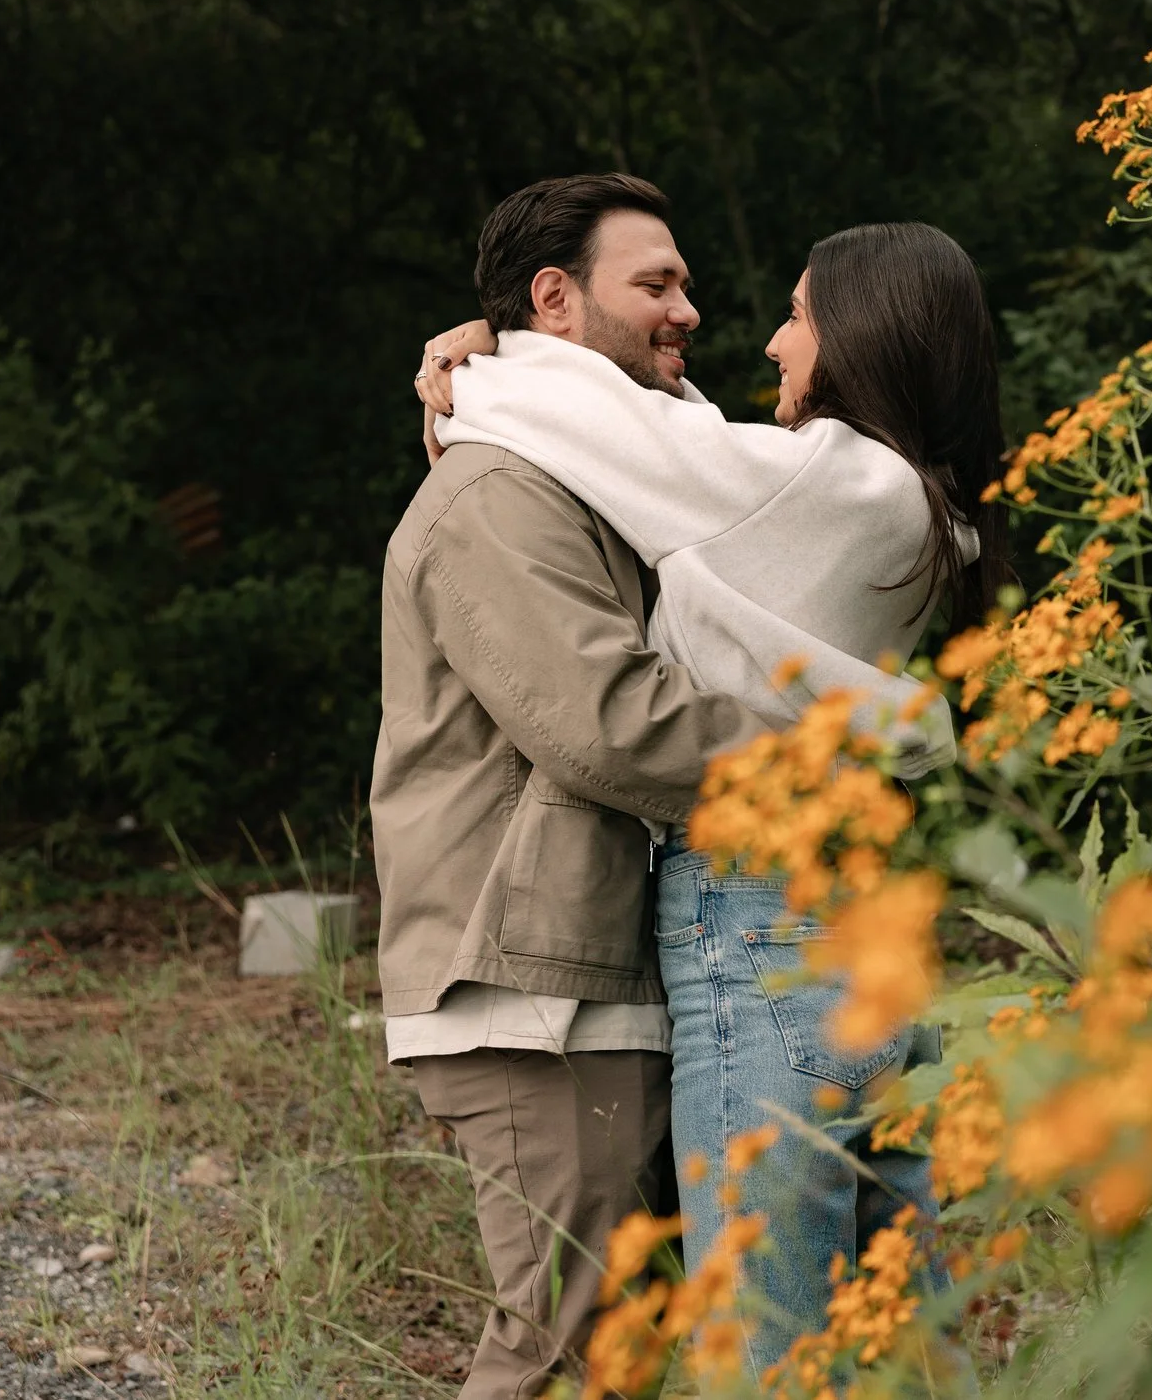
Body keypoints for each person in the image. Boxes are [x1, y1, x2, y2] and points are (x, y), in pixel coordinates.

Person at [415, 218, 1010, 1378]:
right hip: (868, 925)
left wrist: (482, 362)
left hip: (761, 923)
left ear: (861, 338)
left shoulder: (832, 483)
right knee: (915, 1350)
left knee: (770, 1351)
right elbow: (675, 442)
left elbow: (618, 432)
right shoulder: (901, 500)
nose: (775, 342)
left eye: (798, 316)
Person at [372, 173, 756, 1399]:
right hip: (523, 980)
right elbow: (609, 723)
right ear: (555, 296)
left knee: (620, 1347)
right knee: (568, 1352)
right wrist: (840, 749)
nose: (687, 309)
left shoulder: (595, 471)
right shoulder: (495, 493)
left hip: (574, 967)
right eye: (655, 282)